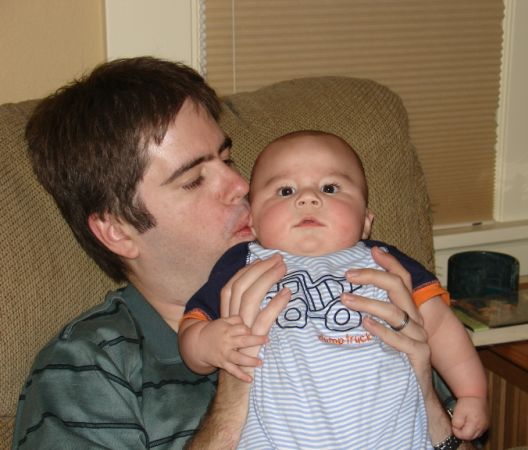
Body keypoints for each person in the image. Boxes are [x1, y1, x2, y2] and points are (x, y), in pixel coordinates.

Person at [10, 57, 465, 450]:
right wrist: (235, 393)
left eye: (226, 160)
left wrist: (424, 390)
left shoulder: (354, 278)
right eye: (194, 180)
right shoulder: (88, 367)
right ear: (118, 230)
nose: (241, 185)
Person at [180, 130, 489, 448]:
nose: (308, 198)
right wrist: (207, 344)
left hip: (388, 433)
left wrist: (471, 393)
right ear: (254, 223)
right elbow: (192, 325)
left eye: (330, 188)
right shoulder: (242, 263)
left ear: (366, 221)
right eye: (285, 190)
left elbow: (440, 326)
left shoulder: (383, 262)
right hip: (280, 437)